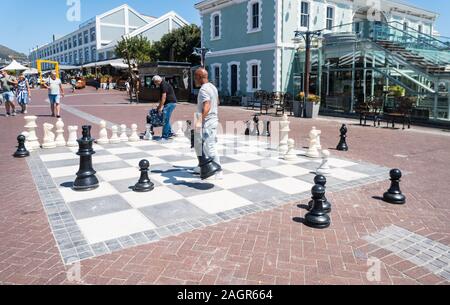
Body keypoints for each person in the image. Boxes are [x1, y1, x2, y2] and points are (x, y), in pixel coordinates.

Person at [193, 67, 222, 178]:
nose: (194, 79)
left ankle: (218, 170)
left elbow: (207, 106)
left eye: (195, 77)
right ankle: (202, 166)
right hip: (212, 119)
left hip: (208, 121)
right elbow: (218, 101)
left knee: (209, 146)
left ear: (200, 77)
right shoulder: (212, 87)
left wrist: (199, 121)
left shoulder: (204, 89)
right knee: (201, 145)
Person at [152, 75, 177, 141]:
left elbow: (164, 97)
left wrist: (160, 107)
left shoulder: (163, 84)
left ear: (157, 81)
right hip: (170, 103)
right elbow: (161, 98)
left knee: (165, 119)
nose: (155, 84)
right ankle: (169, 133)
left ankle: (165, 136)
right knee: (166, 119)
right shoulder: (162, 84)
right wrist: (159, 105)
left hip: (170, 103)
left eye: (154, 82)